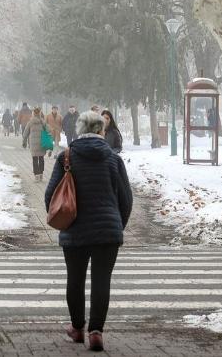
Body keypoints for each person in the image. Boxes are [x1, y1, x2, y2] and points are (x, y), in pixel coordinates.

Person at [44, 111, 133, 352]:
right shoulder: (114, 159)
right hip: (107, 231)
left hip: (74, 230)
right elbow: (126, 199)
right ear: (101, 131)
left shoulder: (66, 157)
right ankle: (96, 332)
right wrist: (117, 225)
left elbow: (50, 195)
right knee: (102, 281)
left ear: (80, 130)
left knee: (75, 279)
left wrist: (63, 221)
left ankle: (76, 328)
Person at [22, 107, 48, 181]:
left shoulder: (30, 122)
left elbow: (25, 133)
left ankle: (36, 175)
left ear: (33, 114)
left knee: (35, 159)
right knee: (41, 158)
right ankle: (41, 174)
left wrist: (24, 142)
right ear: (40, 114)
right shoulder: (43, 122)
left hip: (33, 144)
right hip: (42, 144)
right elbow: (48, 132)